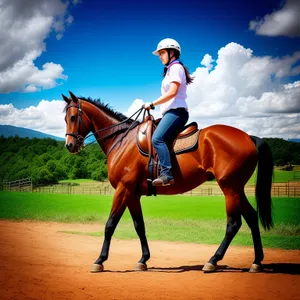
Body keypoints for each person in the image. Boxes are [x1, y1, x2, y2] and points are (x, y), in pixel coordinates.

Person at [144, 38, 194, 187]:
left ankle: (167, 174)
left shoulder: (176, 68)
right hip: (170, 112)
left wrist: (152, 104)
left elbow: (172, 92)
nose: (159, 56)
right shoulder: (170, 70)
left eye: (162, 53)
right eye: (159, 54)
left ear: (172, 52)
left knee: (157, 139)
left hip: (177, 112)